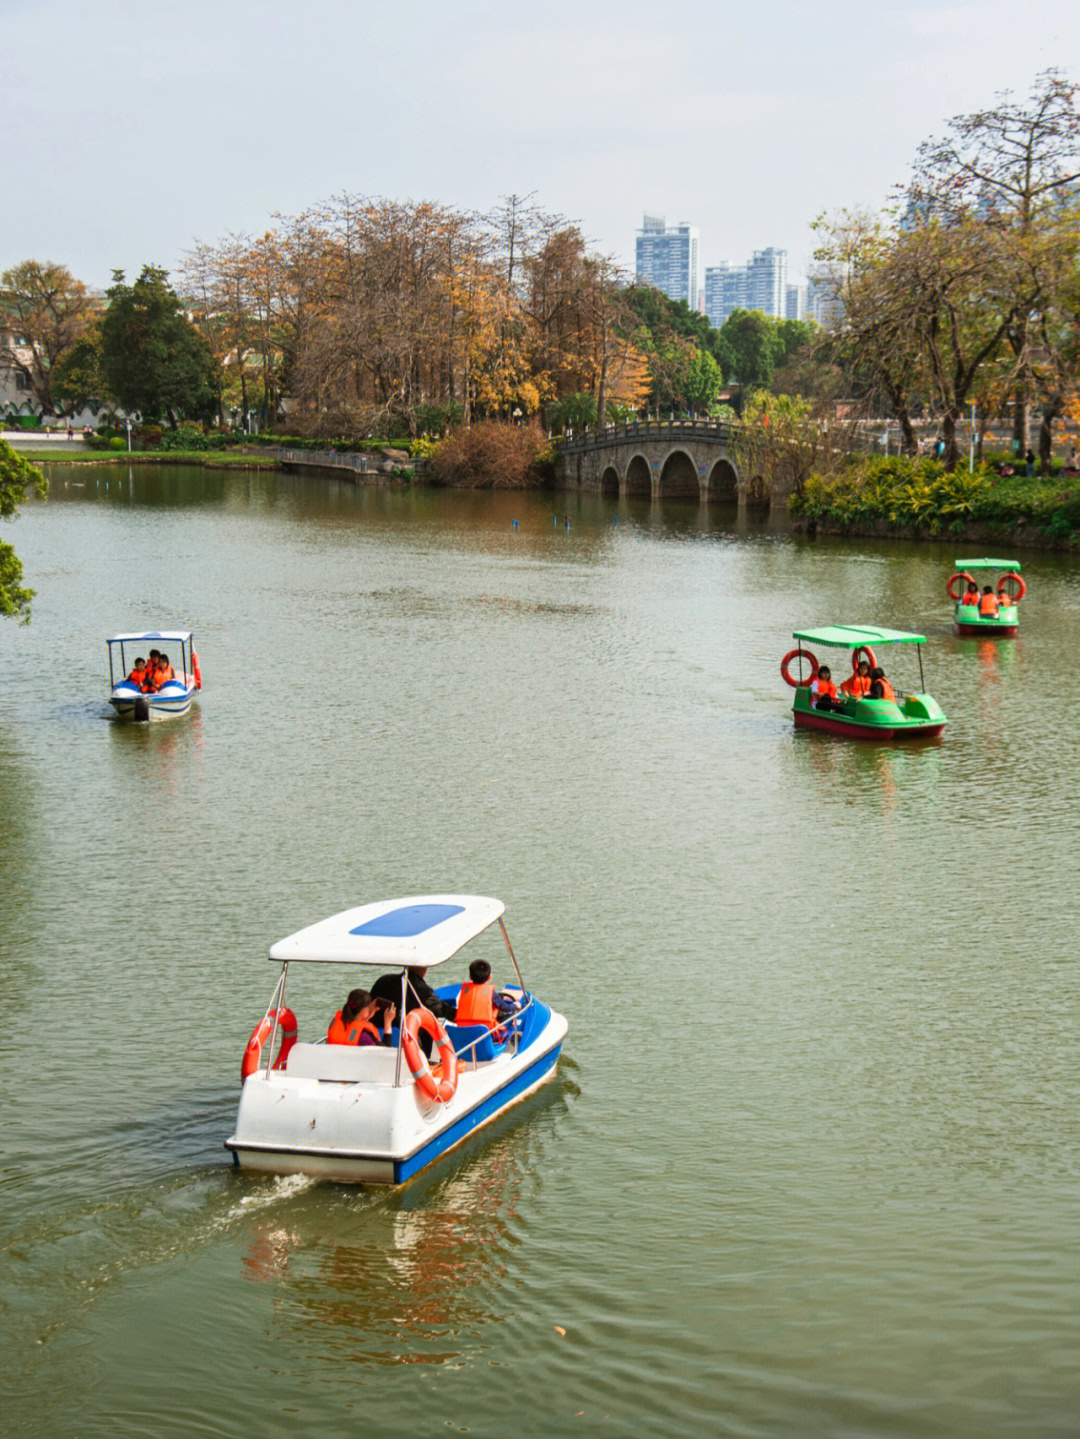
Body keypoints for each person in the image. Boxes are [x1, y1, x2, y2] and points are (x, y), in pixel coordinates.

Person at [370, 966, 452, 1055]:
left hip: (378, 1035)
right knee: (428, 1023)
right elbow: (440, 1009)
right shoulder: (422, 989)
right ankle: (424, 1058)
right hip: (408, 1041)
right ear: (424, 972)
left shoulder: (383, 981)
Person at [327, 989, 396, 1046]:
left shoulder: (339, 1022)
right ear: (365, 1010)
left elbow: (354, 1022)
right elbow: (386, 1051)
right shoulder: (364, 1036)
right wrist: (388, 1022)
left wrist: (367, 1017)